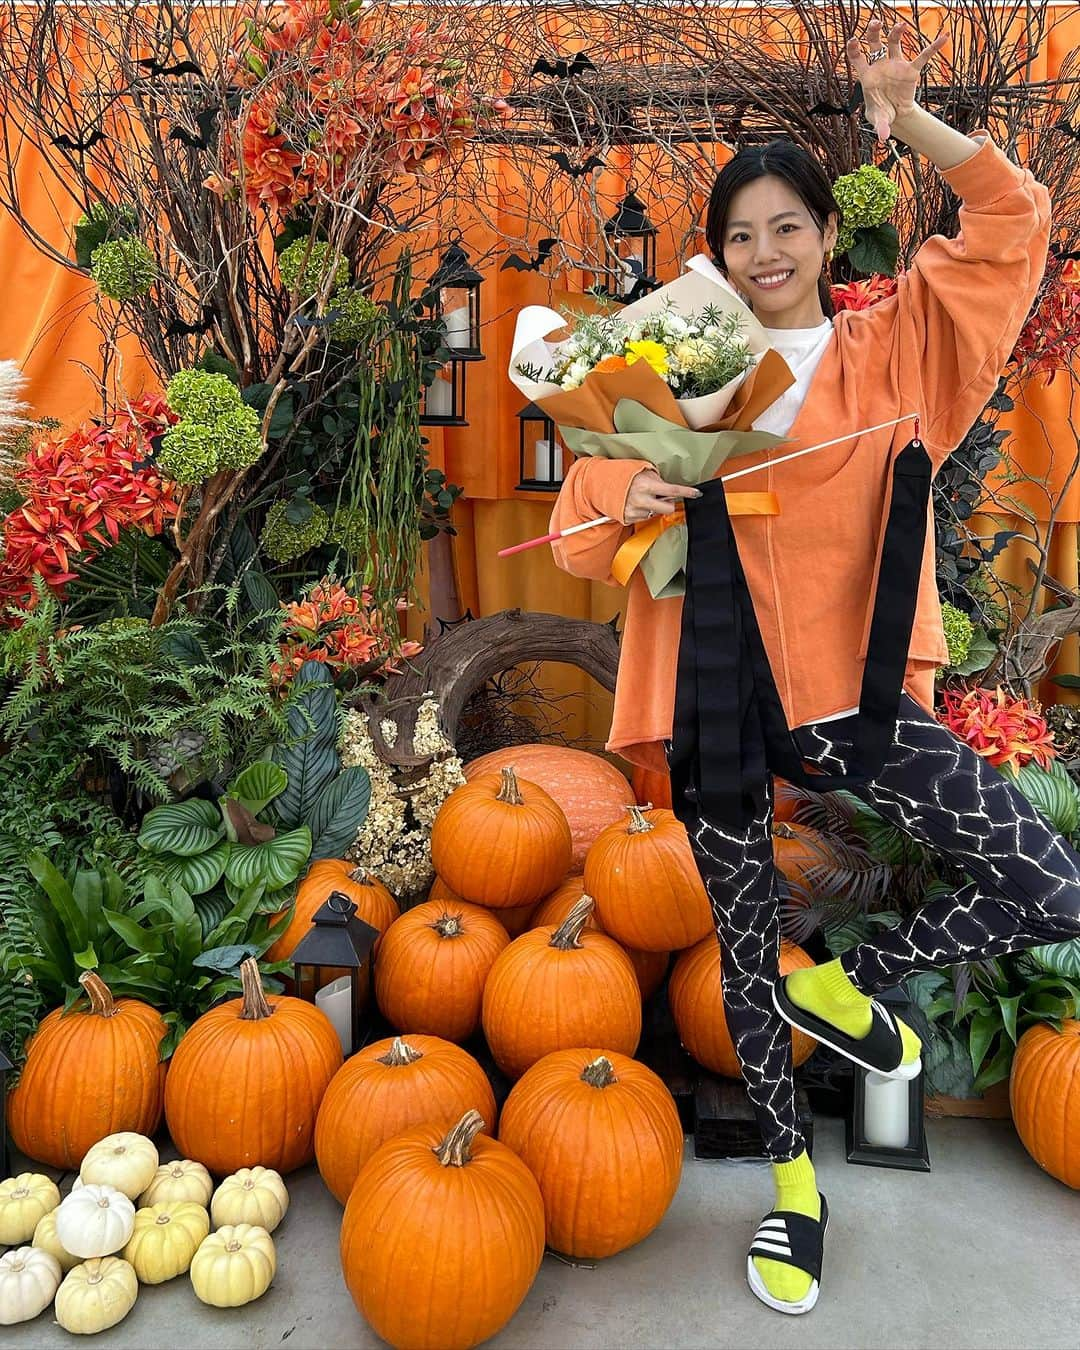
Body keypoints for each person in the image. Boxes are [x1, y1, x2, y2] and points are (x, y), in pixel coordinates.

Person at [549, 18, 1077, 1316]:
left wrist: (910, 126)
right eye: (741, 233)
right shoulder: (677, 367)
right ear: (718, 254)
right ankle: (795, 1190)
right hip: (717, 698)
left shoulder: (896, 349)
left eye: (788, 226)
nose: (765, 252)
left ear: (827, 239)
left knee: (1048, 879)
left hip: (861, 701)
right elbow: (573, 519)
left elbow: (1013, 219)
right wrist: (634, 492)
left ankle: (855, 976)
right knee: (740, 961)